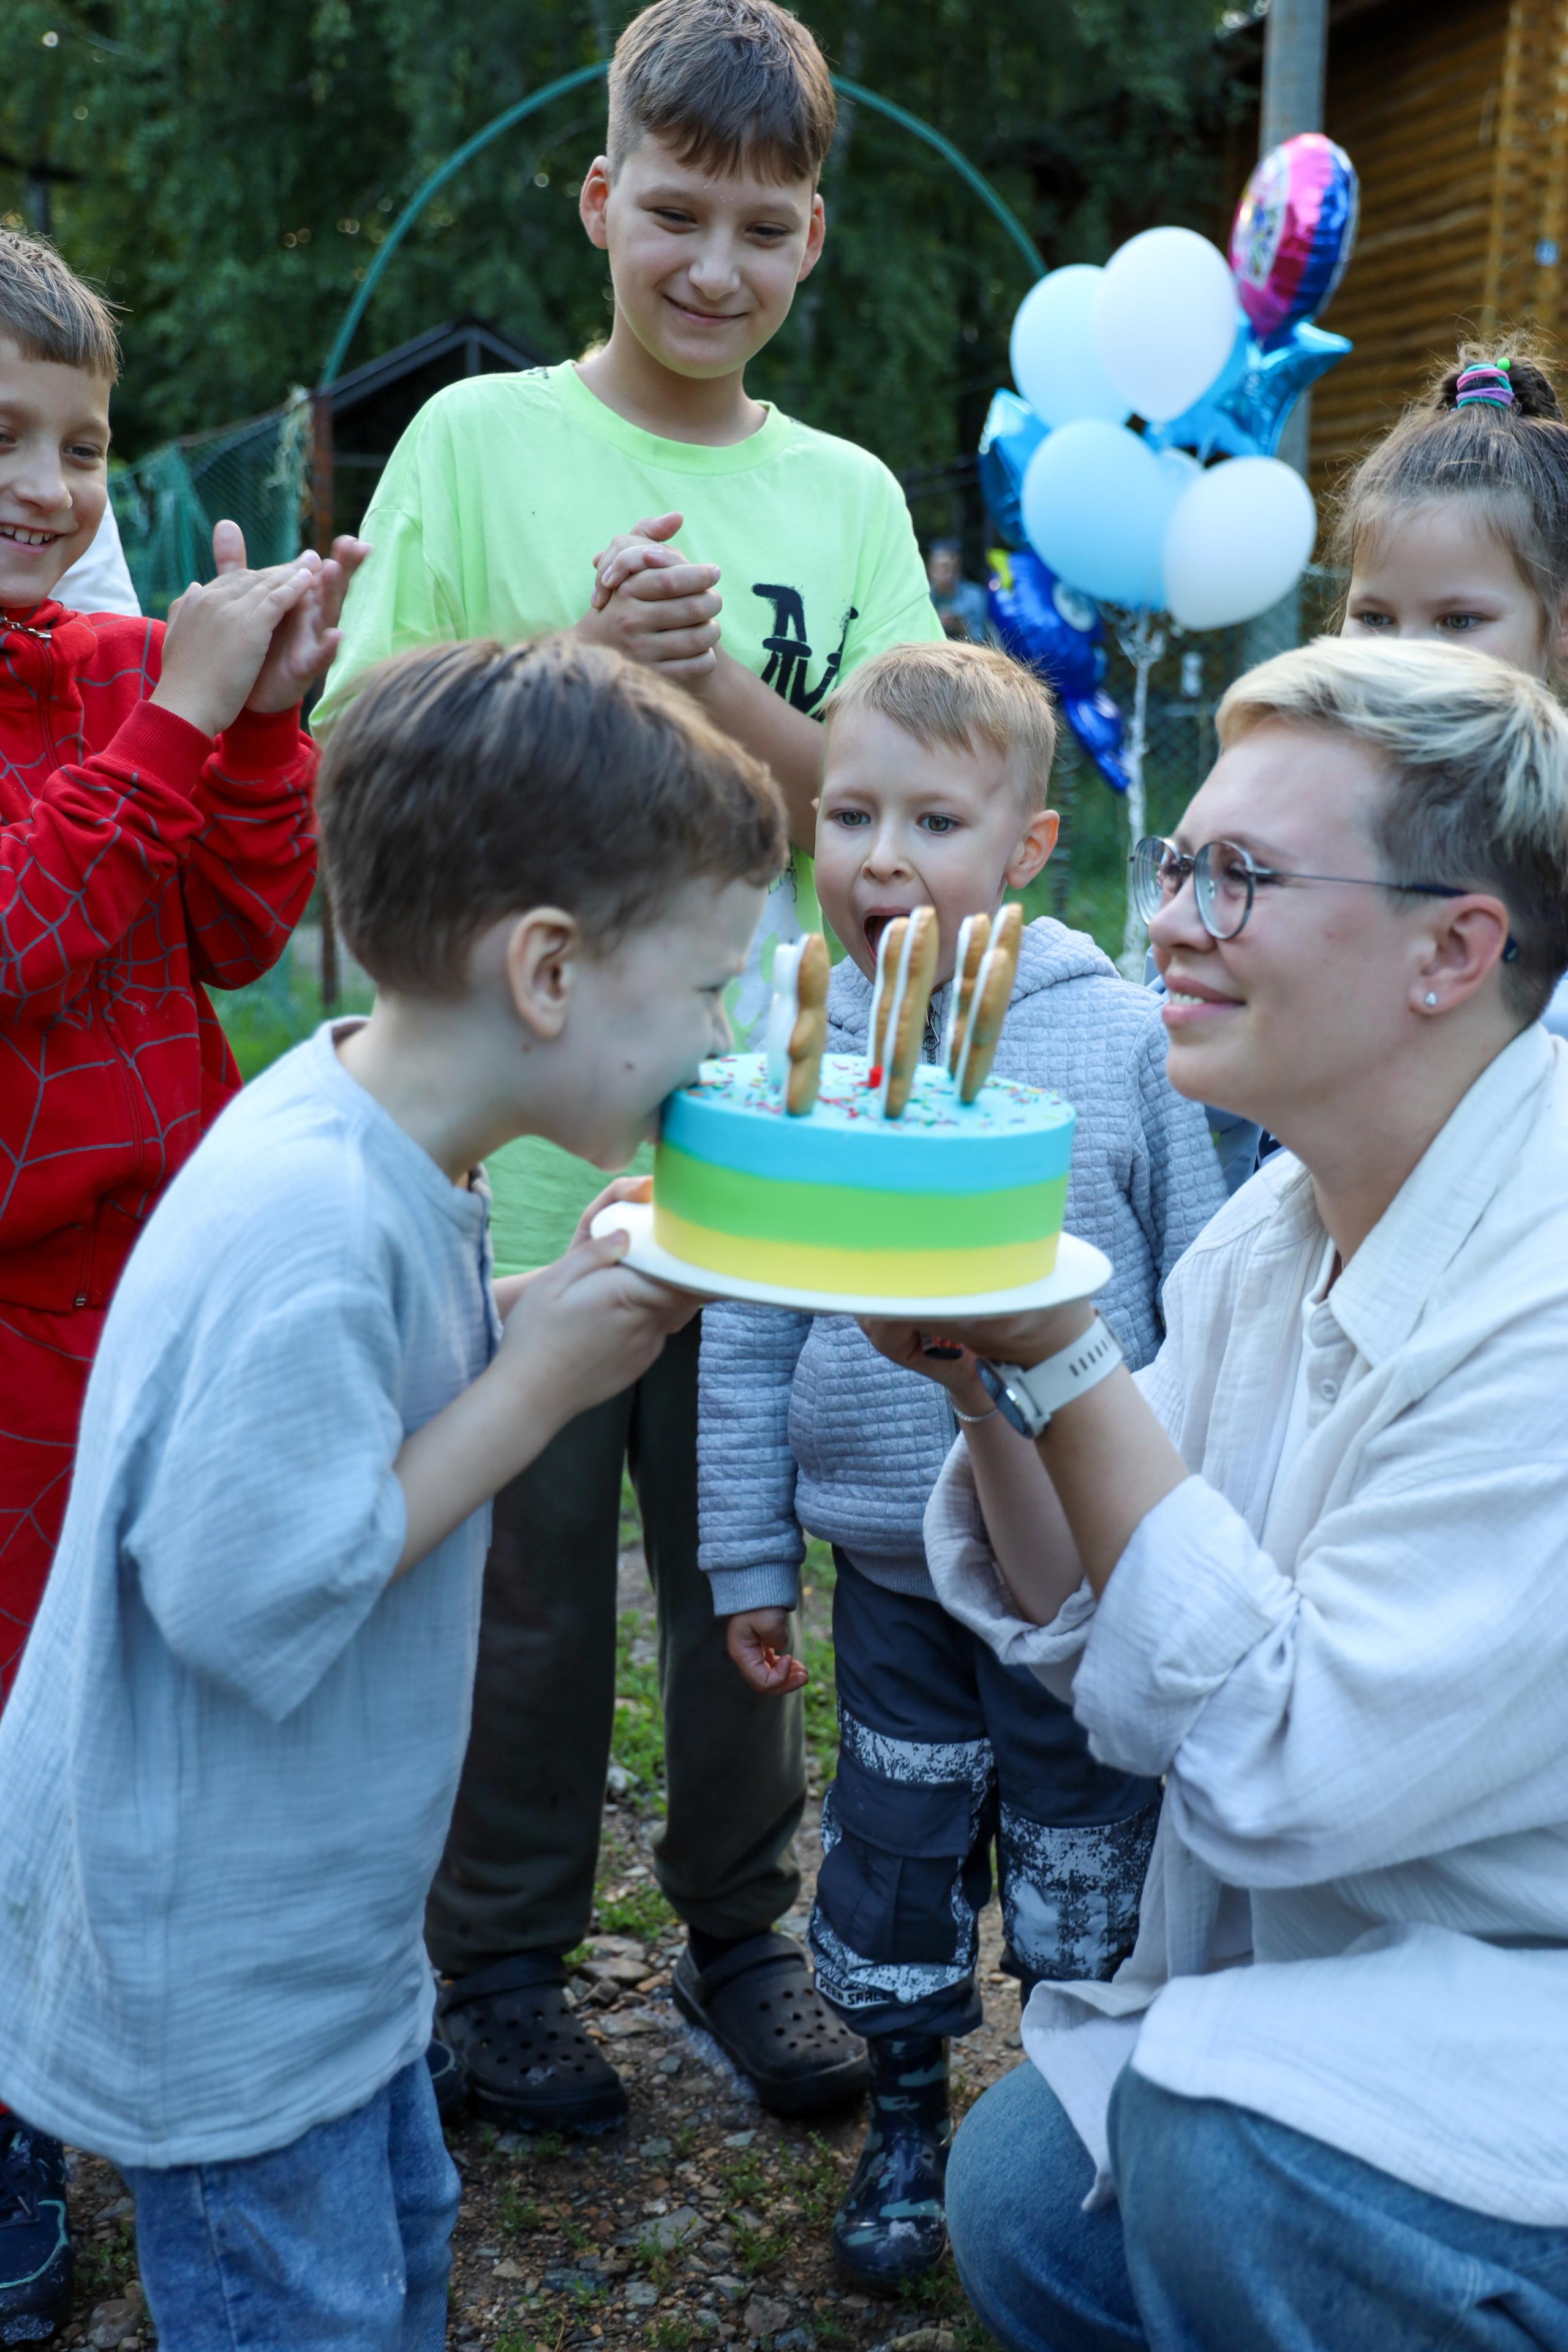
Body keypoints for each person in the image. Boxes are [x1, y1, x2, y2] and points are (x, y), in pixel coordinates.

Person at [0, 633, 784, 2351]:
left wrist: (526, 1309)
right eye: (710, 985)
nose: (720, 1038)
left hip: (319, 1941)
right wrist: (540, 1382)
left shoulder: (378, 1134)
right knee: (310, 2304)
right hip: (215, 1964)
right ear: (553, 972)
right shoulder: (311, 1221)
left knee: (397, 2251)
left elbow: (357, 1398)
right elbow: (252, 1590)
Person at [312, 0, 943, 2134]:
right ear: (601, 199)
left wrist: (716, 703)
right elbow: (363, 761)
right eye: (675, 213)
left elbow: (885, 815)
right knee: (521, 1571)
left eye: (763, 229)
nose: (714, 268)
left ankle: (744, 1941)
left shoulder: (843, 494)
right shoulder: (477, 448)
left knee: (744, 1551)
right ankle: (493, 1967)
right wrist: (576, 667)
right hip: (507, 1146)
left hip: (757, 1136)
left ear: (813, 242)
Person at [861, 636, 1568, 2348]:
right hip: (1376, 1957)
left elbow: (1281, 1761)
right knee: (1029, 2198)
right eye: (1181, 862)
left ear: (1451, 950)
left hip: (1523, 1992)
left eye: (1240, 879)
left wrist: (1066, 1351)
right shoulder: (1287, 1217)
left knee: (1221, 2157)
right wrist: (990, 1387)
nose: (1168, 916)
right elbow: (1122, 1601)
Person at [698, 639, 1226, 2288]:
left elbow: (1206, 1278)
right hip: (890, 1563)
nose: (879, 858)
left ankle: (1086, 2105)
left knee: (1092, 1841)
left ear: (1026, 850)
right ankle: (912, 2113)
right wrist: (743, 1556)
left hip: (1092, 1568)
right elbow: (746, 1327)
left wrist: (1204, 1506)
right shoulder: (806, 1066)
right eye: (848, 814)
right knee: (899, 1846)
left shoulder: (1123, 1038)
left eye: (934, 820)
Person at [0, 228, 360, 2337]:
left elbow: (231, 931)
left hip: (153, 1282)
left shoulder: (124, 673)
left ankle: (129, 2044)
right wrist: (182, 723)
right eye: (6, 441)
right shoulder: (133, 699)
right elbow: (22, 929)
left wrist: (267, 730)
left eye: (80, 444)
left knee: (132, 1686)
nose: (49, 488)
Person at [1335, 337, 1568, 1044]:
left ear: (1560, 628)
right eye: (1374, 619)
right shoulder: (1310, 802)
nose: (1406, 658)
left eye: (1457, 621)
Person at [926, 538, 989, 642]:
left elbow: (985, 642)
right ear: (931, 569)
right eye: (944, 568)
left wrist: (961, 628)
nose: (950, 574)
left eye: (954, 568)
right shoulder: (921, 598)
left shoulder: (975, 596)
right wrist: (935, 625)